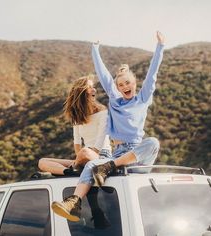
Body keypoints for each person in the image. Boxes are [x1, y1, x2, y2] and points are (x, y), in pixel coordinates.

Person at [52, 31, 165, 222]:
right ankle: (74, 202)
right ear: (117, 88)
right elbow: (103, 75)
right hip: (118, 154)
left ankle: (109, 166)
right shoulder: (115, 100)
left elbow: (152, 74)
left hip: (137, 156)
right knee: (92, 165)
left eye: (128, 83)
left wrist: (160, 47)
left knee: (153, 141)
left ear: (134, 83)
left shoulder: (143, 98)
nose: (124, 86)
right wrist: (95, 49)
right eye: (120, 85)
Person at [38, 75, 112, 176]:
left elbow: (101, 139)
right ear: (81, 93)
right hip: (83, 158)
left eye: (93, 86)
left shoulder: (102, 112)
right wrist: (80, 161)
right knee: (42, 162)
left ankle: (75, 168)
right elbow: (77, 142)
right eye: (89, 87)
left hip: (102, 156)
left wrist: (81, 159)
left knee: (85, 151)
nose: (94, 89)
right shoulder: (77, 116)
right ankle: (69, 172)